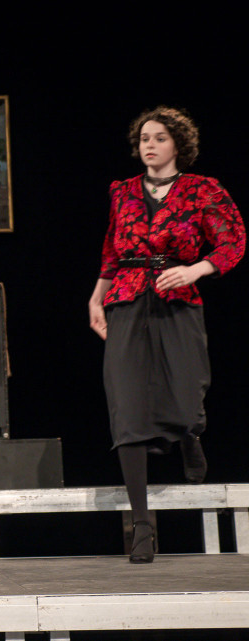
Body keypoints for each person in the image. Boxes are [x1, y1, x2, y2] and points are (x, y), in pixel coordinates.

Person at [88, 107, 244, 563]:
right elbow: (111, 250)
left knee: (187, 388)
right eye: (144, 139)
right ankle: (142, 525)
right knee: (127, 405)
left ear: (178, 144)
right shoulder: (122, 191)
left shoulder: (202, 189)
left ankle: (190, 433)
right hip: (126, 297)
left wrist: (196, 269)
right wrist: (96, 299)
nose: (149, 145)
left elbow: (233, 241)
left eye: (159, 138)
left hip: (177, 297)